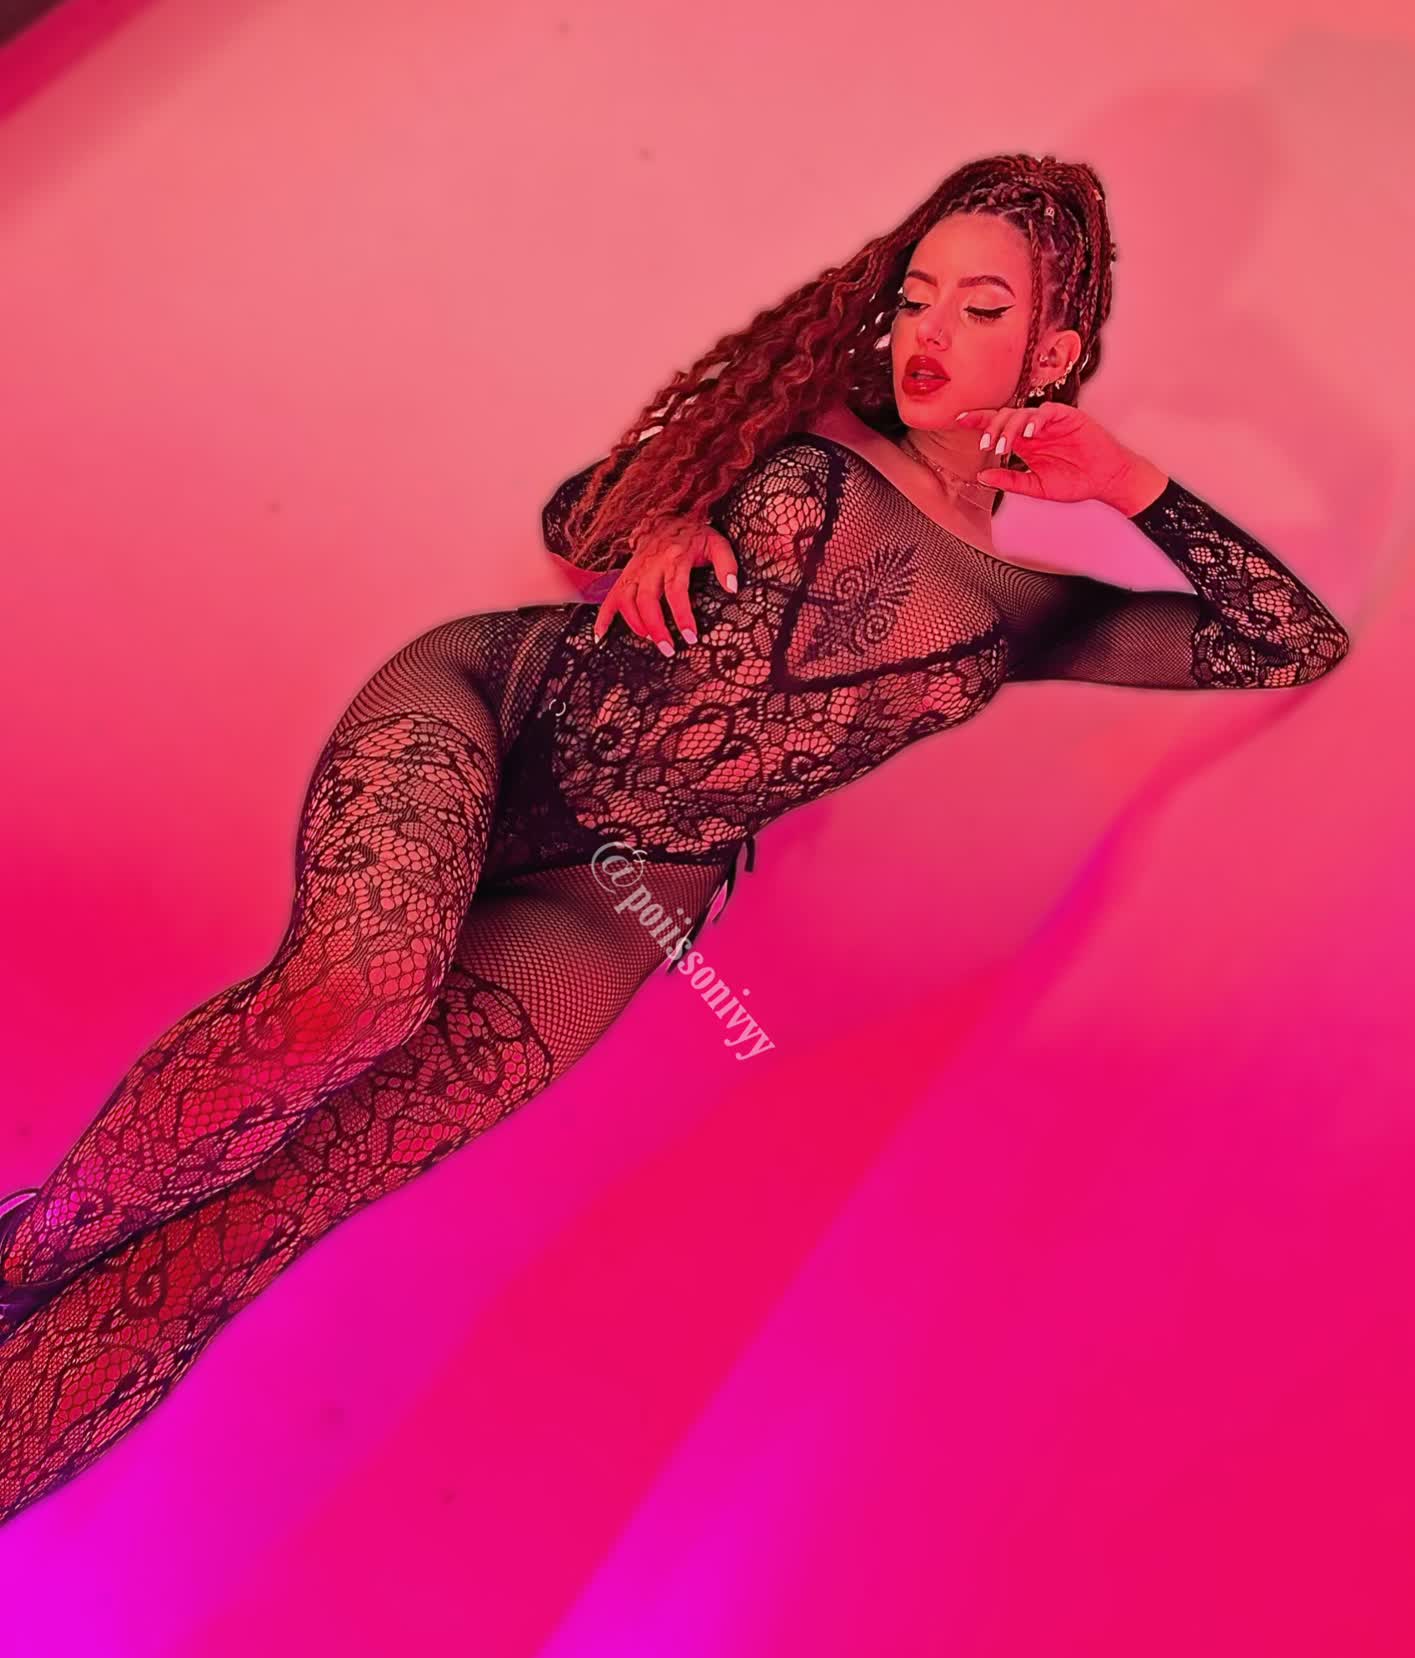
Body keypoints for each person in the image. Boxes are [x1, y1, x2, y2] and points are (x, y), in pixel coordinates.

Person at [0, 153, 1349, 1527]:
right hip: (498, 709)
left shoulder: (1029, 607)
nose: (930, 333)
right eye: (917, 295)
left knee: (256, 1226)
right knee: (363, 988)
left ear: (1051, 352)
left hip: (615, 899)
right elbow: (572, 515)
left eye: (982, 308)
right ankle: (27, 1249)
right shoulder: (808, 418)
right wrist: (659, 518)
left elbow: (1287, 642)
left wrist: (1128, 481)